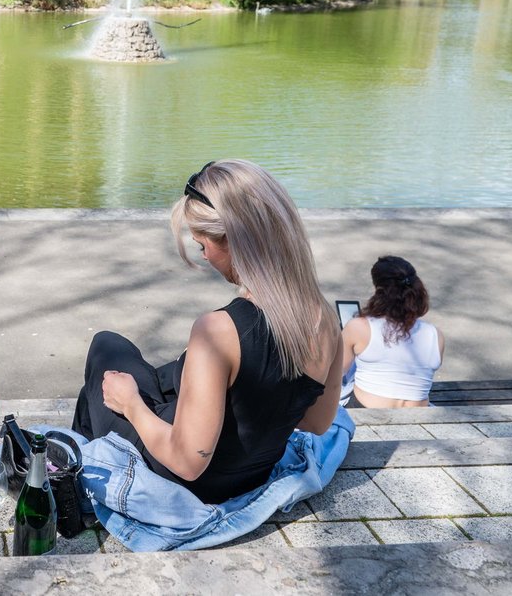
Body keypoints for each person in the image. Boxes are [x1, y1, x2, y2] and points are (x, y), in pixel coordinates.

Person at [72, 159, 342, 505]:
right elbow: (317, 423)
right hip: (251, 474)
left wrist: (131, 404)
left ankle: (75, 474)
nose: (205, 257)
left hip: (181, 477)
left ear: (233, 240)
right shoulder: (325, 318)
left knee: (106, 348)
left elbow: (187, 463)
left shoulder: (219, 330)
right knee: (163, 371)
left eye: (203, 245)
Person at [340, 256, 444, 408]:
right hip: (421, 416)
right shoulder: (436, 335)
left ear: (378, 290)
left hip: (367, 411)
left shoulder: (359, 327)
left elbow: (336, 374)